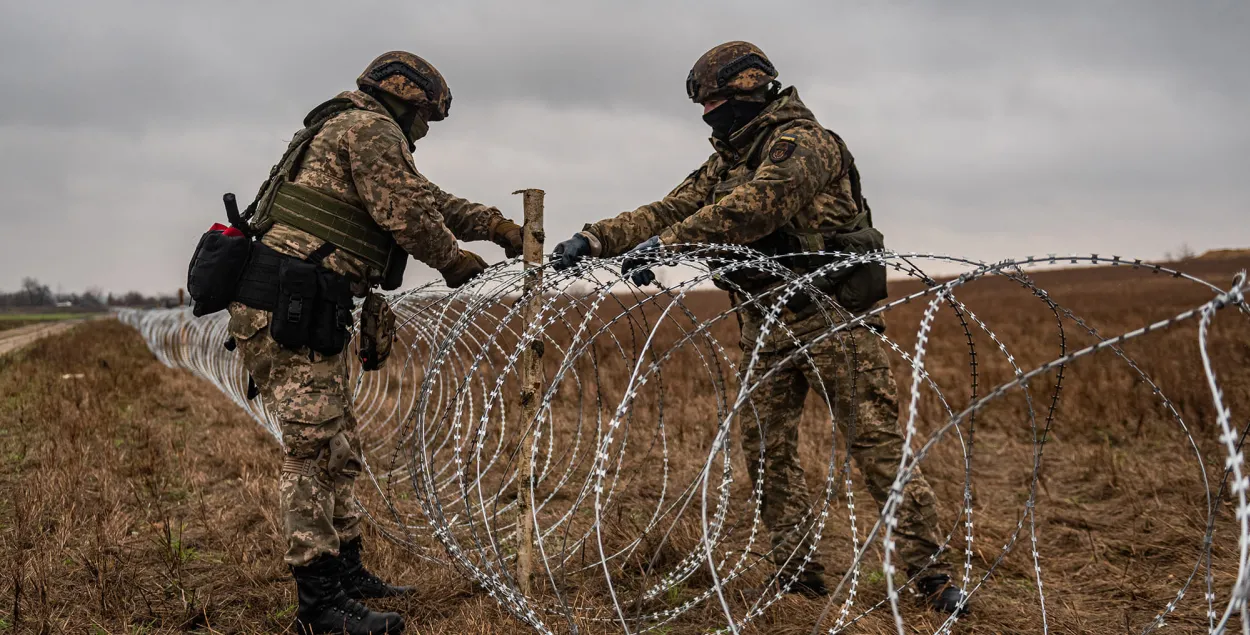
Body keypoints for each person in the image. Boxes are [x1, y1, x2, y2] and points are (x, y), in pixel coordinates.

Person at [552, 41, 966, 614]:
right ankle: (796, 570)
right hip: (764, 321)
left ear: (750, 90)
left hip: (828, 318)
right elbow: (668, 209)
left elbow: (759, 206)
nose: (708, 115)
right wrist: (596, 238)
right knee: (768, 449)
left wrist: (669, 245)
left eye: (716, 101)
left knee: (875, 446)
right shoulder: (729, 157)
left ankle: (931, 576)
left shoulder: (803, 143)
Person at [226, 51, 523, 634]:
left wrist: (495, 226)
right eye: (427, 118)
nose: (425, 131)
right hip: (288, 309)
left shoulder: (351, 126)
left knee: (337, 443)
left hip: (308, 309)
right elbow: (408, 214)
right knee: (312, 452)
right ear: (408, 101)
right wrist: (456, 261)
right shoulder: (371, 129)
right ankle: (320, 607)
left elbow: (425, 197)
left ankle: (347, 574)